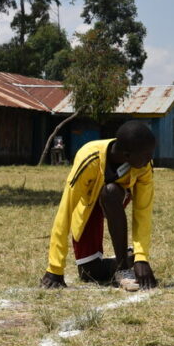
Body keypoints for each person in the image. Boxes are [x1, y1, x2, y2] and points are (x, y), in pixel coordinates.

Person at [40, 120, 158, 290]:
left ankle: (124, 268)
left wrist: (142, 257)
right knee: (89, 273)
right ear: (127, 155)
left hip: (115, 197)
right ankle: (125, 257)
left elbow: (143, 212)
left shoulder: (145, 166)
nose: (150, 159)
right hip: (88, 206)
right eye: (147, 154)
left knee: (109, 192)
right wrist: (55, 268)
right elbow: (65, 210)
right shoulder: (89, 157)